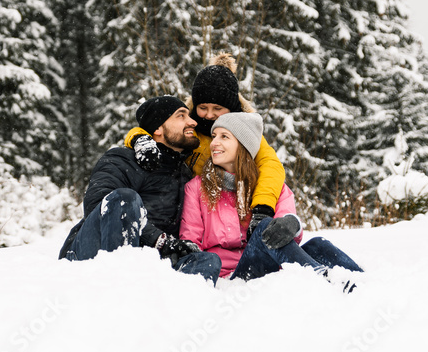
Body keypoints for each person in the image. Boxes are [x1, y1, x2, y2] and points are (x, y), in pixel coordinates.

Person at [179, 112, 363, 288]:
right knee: (264, 226)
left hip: (272, 267)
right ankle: (322, 281)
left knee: (318, 244)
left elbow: (287, 233)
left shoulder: (268, 184)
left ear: (243, 145)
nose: (214, 143)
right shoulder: (196, 187)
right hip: (232, 279)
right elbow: (191, 238)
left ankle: (364, 283)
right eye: (214, 136)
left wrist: (291, 223)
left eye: (224, 137)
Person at [59, 96, 222, 284]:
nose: (192, 121)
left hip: (148, 264)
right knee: (124, 199)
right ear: (158, 129)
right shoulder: (123, 159)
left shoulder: (185, 175)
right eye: (181, 116)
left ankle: (171, 306)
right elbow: (100, 205)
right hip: (89, 255)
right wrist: (159, 240)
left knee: (207, 261)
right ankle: (117, 289)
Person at [125, 53, 286, 240]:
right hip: (194, 211)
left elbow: (270, 166)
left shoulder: (242, 134)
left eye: (217, 109)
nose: (209, 115)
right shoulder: (189, 129)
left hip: (232, 212)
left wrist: (263, 207)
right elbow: (155, 128)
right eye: (203, 107)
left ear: (232, 107)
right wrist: (138, 138)